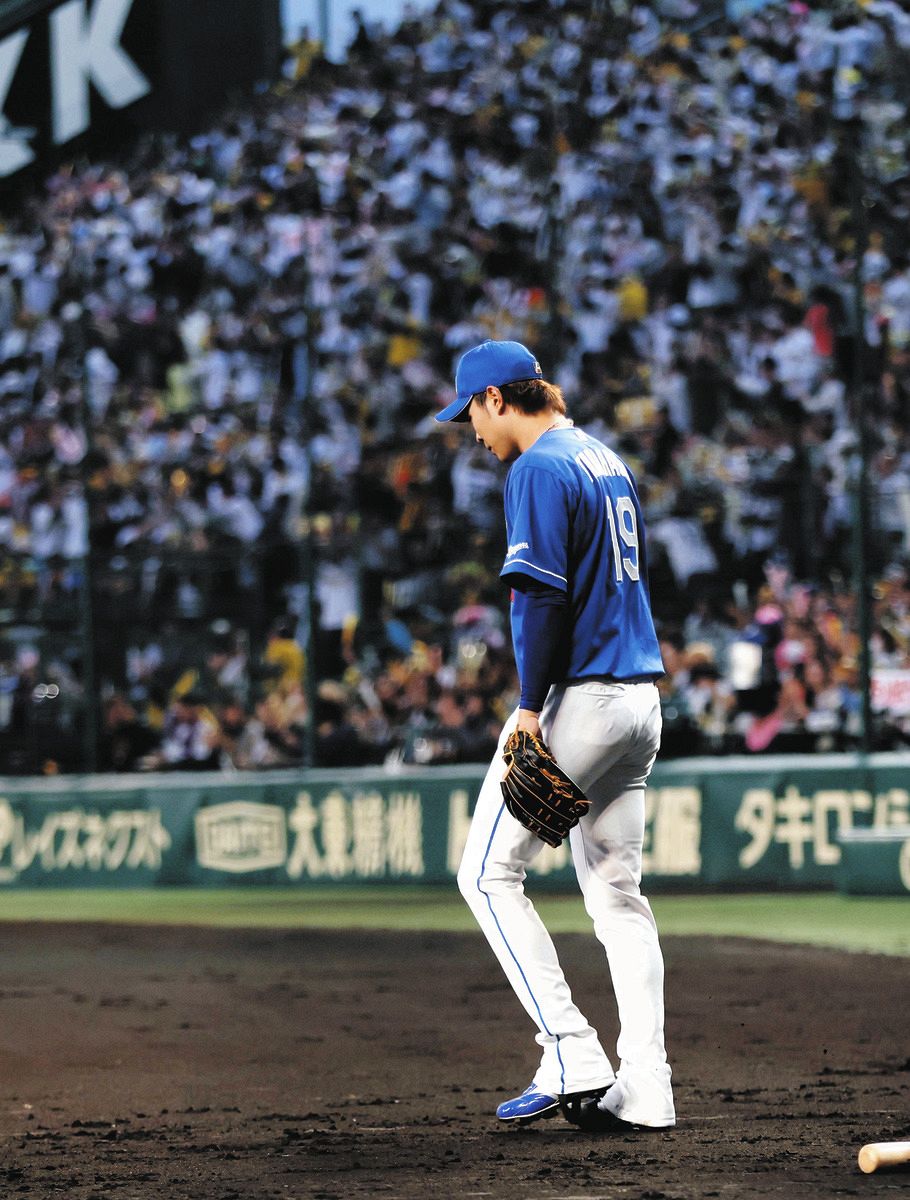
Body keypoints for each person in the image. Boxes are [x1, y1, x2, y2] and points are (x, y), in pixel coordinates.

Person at [435, 340, 675, 1132]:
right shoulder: (602, 456)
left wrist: (530, 705)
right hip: (640, 701)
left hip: (582, 697)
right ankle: (648, 1085)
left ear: (499, 398)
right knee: (617, 898)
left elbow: (540, 598)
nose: (471, 428)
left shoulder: (536, 466)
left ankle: (569, 1045)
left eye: (471, 410)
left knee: (487, 876)